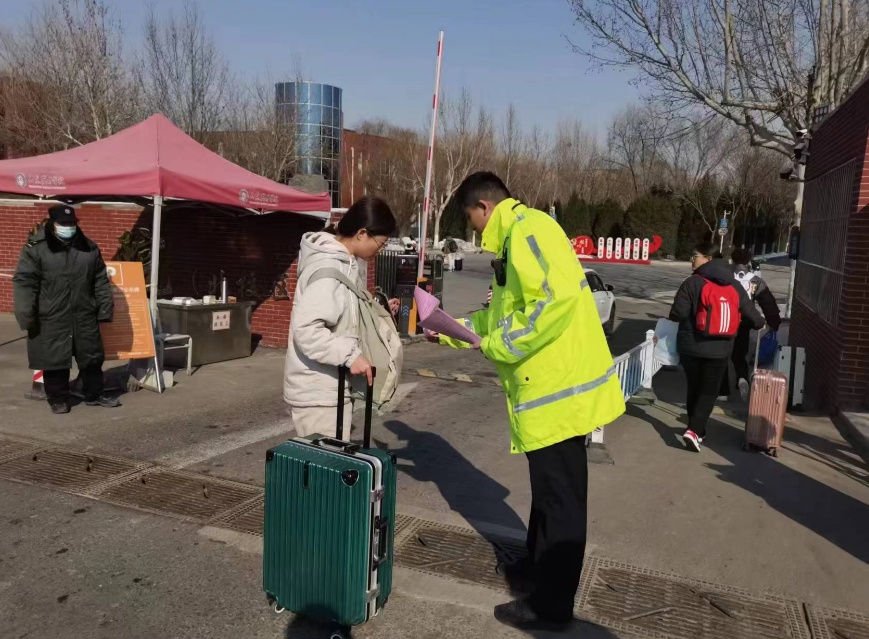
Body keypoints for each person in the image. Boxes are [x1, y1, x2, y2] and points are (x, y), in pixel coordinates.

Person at [433, 172, 626, 632]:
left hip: (559, 394)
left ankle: (551, 607)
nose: (474, 232)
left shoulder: (529, 230)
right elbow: (499, 318)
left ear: (483, 207)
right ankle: (537, 573)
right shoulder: (515, 242)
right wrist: (448, 328)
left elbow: (552, 303)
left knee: (561, 503)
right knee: (548, 497)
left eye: (472, 220)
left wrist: (498, 346)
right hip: (546, 395)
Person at [283, 196, 399, 438]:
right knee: (323, 473)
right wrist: (351, 355)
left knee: (327, 469)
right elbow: (306, 330)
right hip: (318, 394)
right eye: (382, 242)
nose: (380, 250)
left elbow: (341, 314)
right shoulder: (329, 268)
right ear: (362, 233)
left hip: (328, 388)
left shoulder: (342, 263)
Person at [13, 204, 119, 414]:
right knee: (55, 360)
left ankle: (94, 394)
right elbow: (25, 282)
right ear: (52, 224)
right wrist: (26, 314)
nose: (69, 227)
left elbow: (100, 280)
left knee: (91, 358)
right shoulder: (36, 249)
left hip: (84, 313)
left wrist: (104, 309)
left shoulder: (88, 248)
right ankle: (58, 398)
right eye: (64, 223)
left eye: (72, 223)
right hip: (51, 315)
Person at [668, 242, 764, 452]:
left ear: (708, 259)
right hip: (720, 349)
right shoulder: (734, 285)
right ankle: (695, 430)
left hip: (690, 347)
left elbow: (676, 314)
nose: (692, 260)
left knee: (695, 387)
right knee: (709, 391)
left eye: (696, 256)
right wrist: (759, 324)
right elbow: (754, 318)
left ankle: (695, 430)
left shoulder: (692, 282)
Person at [720, 247, 781, 401]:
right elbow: (768, 303)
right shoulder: (755, 280)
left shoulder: (724, 275)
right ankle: (742, 379)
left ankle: (722, 391)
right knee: (739, 354)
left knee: (723, 355)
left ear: (732, 259)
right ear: (748, 261)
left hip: (724, 319)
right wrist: (773, 322)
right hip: (744, 321)